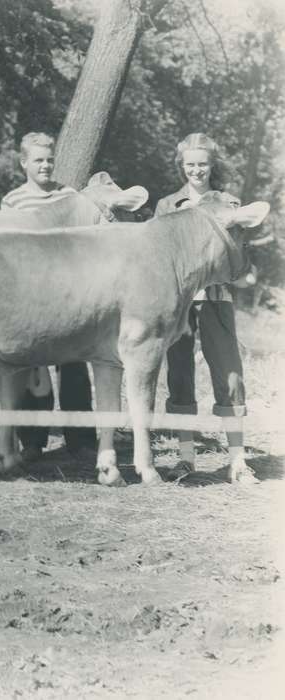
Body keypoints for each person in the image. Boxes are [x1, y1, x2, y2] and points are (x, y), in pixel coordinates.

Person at [155, 132, 257, 484]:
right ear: (181, 166)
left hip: (217, 299)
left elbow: (242, 257)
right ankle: (186, 460)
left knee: (229, 374)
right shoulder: (167, 205)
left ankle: (239, 461)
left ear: (213, 165)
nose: (196, 170)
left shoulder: (230, 202)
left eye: (202, 164)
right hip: (179, 303)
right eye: (190, 164)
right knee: (179, 375)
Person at [0, 131, 97, 460]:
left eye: (50, 160)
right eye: (38, 160)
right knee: (32, 369)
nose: (45, 166)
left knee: (73, 368)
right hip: (31, 294)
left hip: (69, 292)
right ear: (23, 162)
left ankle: (81, 441)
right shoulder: (12, 201)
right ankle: (32, 441)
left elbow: (84, 241)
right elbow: (8, 250)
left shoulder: (69, 195)